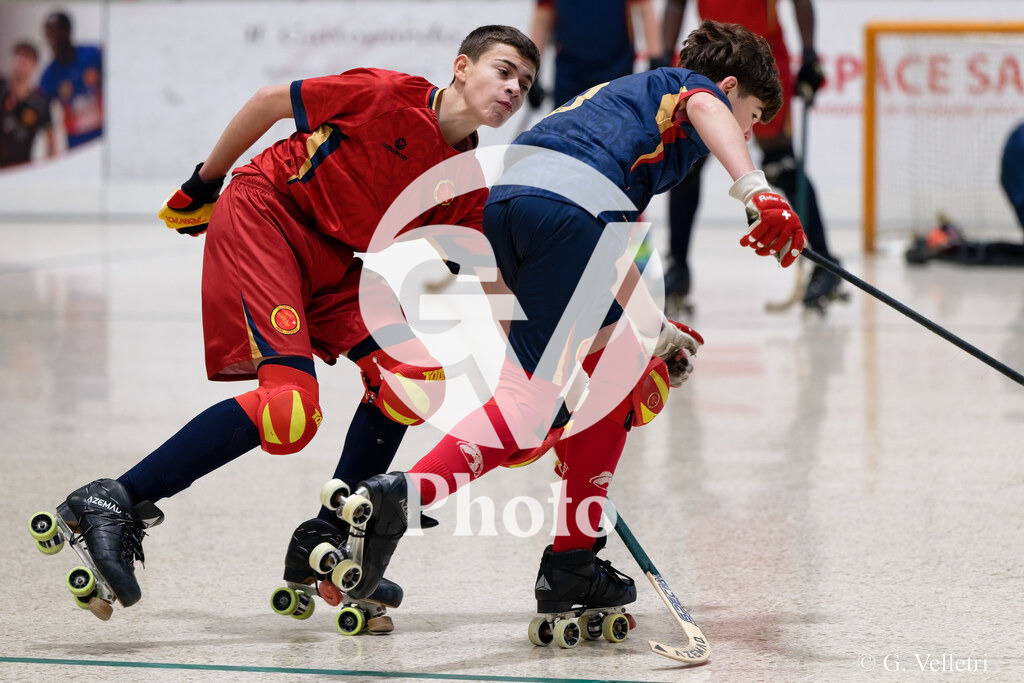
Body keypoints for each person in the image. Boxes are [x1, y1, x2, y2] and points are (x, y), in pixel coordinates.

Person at [32, 25, 540, 622]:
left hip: (333, 262)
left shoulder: (462, 182)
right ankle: (114, 499)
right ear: (461, 67)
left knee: (416, 379)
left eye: (526, 83)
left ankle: (325, 535)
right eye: (503, 70)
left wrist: (522, 384)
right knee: (289, 409)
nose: (513, 88)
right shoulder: (386, 94)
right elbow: (270, 103)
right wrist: (204, 183)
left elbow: (491, 282)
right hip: (266, 213)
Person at [334, 20, 806, 640]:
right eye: (751, 116)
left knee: (615, 372)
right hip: (565, 214)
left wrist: (653, 326)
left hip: (507, 208)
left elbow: (609, 239)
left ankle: (573, 561)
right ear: (728, 87)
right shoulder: (691, 92)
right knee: (531, 402)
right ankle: (413, 497)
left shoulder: (625, 106)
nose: (746, 131)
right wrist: (755, 189)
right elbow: (704, 108)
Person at [660, 0, 837, 313]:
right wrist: (662, 54)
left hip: (762, 64)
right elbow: (675, 5)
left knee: (781, 165)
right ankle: (678, 266)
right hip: (710, 60)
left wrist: (809, 52)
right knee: (686, 166)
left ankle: (824, 263)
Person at [527, 0, 663, 110]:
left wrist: (656, 59)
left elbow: (645, 10)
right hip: (569, 73)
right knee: (565, 134)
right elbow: (543, 15)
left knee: (615, 131)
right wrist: (533, 70)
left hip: (616, 69)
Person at [39, 11, 103, 149]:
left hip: (105, 135)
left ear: (68, 31)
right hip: (77, 145)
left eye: (55, 32)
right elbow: (44, 117)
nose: (51, 39)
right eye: (48, 34)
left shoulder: (93, 54)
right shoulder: (48, 76)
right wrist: (51, 148)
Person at [0, 41, 56, 167]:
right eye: (17, 59)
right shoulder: (2, 88)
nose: (20, 66)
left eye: (25, 62)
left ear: (34, 66)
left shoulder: (40, 102)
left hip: (22, 168)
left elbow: (51, 139)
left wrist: (50, 169)